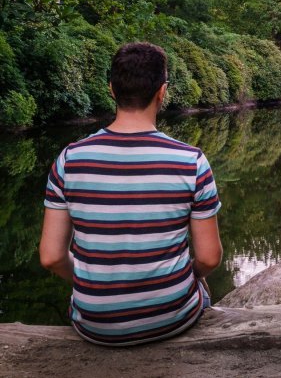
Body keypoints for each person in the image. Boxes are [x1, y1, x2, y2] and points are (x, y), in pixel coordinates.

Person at [39, 42, 222, 346]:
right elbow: (209, 258)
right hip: (171, 319)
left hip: (94, 324)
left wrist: (91, 281)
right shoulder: (192, 161)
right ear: (162, 91)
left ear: (111, 89)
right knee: (200, 287)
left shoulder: (69, 159)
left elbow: (51, 257)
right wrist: (185, 276)